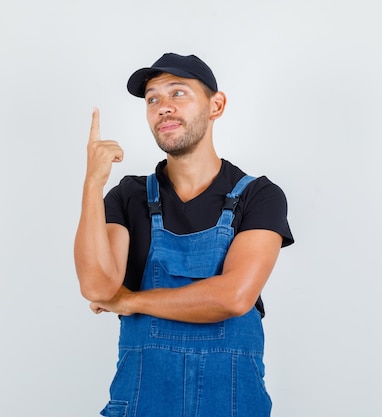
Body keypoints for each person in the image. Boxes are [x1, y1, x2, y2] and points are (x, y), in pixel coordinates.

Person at [74, 53, 294, 417]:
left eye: (179, 93)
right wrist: (92, 182)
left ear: (216, 105)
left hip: (233, 405)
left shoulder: (259, 196)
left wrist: (129, 301)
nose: (163, 107)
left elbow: (233, 297)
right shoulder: (128, 196)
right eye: (153, 99)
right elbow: (97, 287)